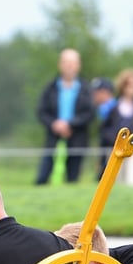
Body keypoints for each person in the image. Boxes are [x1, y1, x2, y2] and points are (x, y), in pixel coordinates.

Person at [34, 49, 93, 185]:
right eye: (66, 62)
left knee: (73, 176)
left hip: (77, 135)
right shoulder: (50, 87)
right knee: (44, 172)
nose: (69, 66)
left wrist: (70, 124)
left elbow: (89, 113)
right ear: (60, 65)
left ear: (79, 65)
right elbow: (42, 111)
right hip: (53, 135)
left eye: (73, 63)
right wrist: (55, 124)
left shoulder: (86, 88)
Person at [89, 76, 116, 180]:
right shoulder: (101, 109)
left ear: (105, 92)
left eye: (96, 92)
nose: (94, 95)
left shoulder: (113, 108)